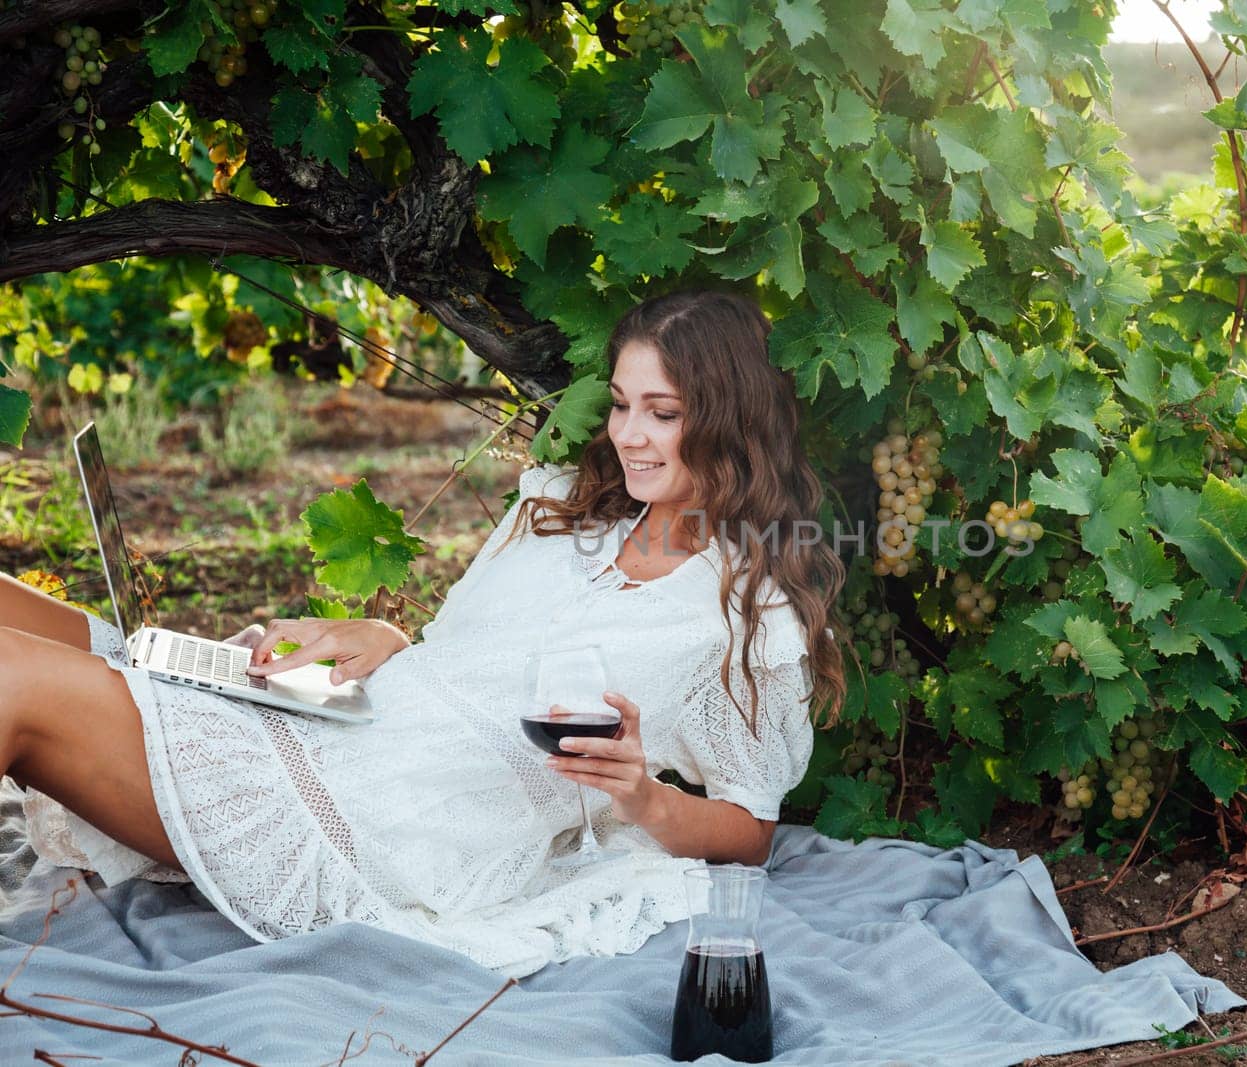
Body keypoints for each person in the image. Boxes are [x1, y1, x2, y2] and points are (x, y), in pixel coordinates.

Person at [0, 289, 847, 978]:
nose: (627, 434)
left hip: (380, 826)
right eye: (623, 404)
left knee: (11, 674)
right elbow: (465, 658)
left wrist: (643, 797)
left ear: (728, 421)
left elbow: (750, 826)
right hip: (329, 723)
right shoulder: (559, 509)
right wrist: (387, 635)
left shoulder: (742, 614)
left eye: (661, 413)